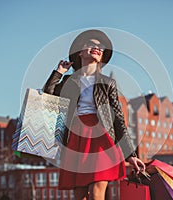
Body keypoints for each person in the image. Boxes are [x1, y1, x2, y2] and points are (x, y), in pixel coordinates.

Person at [43, 29, 145, 200]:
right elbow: (48, 95)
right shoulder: (69, 81)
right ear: (80, 52)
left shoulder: (108, 83)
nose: (97, 48)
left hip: (102, 138)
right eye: (91, 44)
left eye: (100, 47)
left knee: (97, 193)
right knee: (80, 195)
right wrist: (58, 73)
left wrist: (131, 156)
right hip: (76, 137)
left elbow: (118, 120)